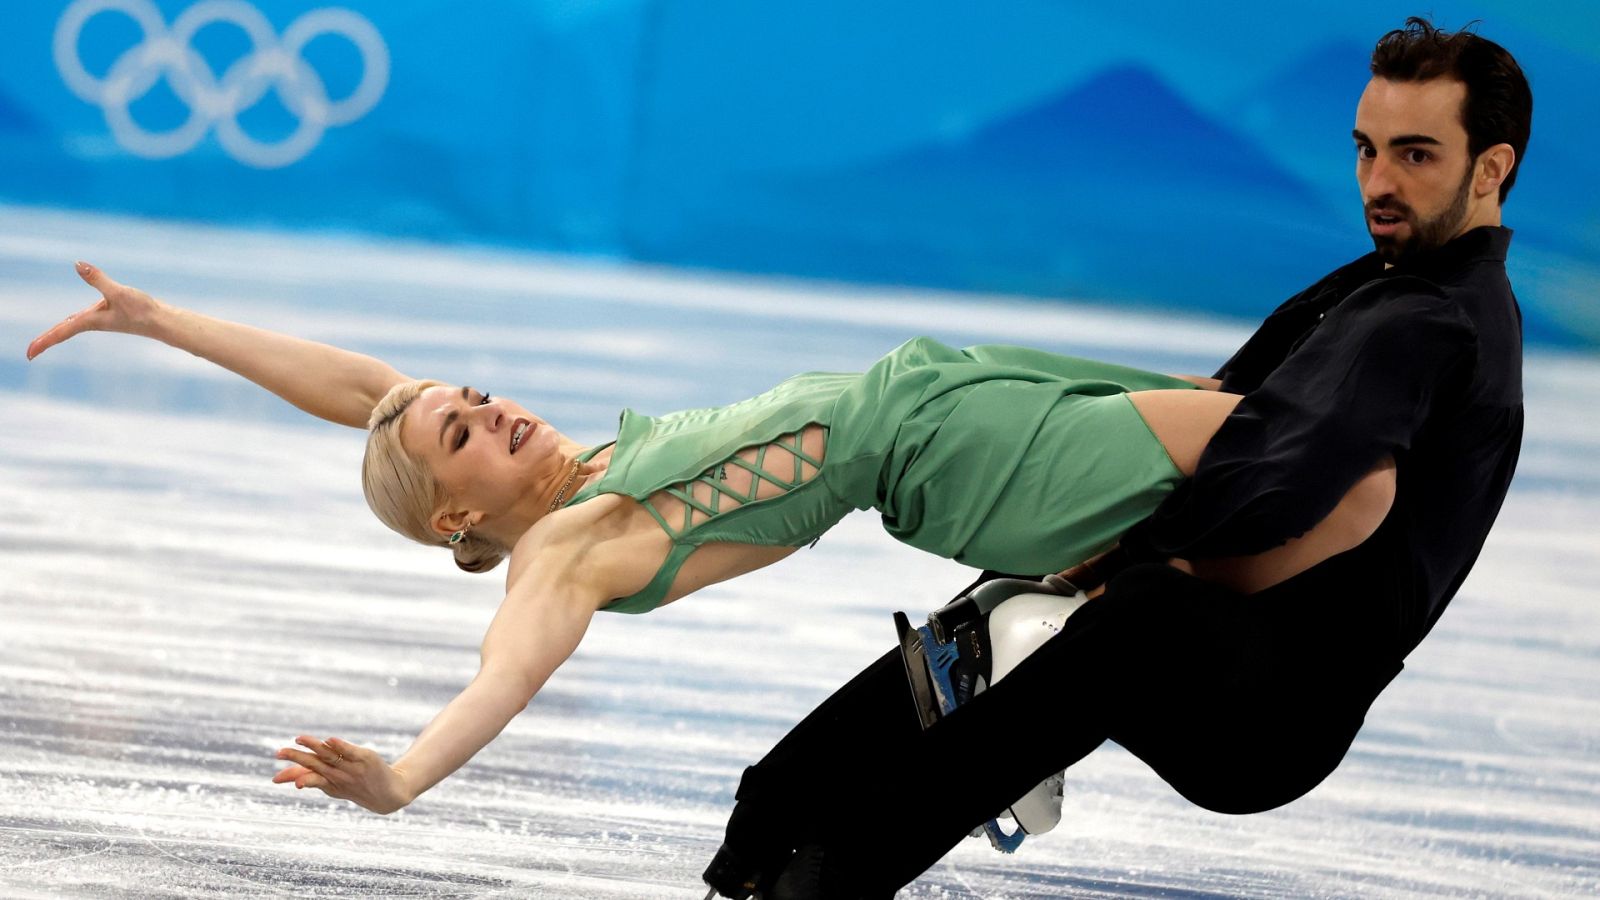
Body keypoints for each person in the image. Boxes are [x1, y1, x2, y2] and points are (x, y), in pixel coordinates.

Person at [24, 264, 1395, 816]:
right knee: (1333, 475)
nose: (483, 409)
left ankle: (1107, 613)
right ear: (459, 517)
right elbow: (502, 680)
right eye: (462, 436)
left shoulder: (581, 462)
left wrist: (167, 324)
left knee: (1267, 434)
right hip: (952, 453)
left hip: (958, 394)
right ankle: (1164, 628)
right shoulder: (568, 545)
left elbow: (363, 392)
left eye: (475, 393)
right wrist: (399, 781)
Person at [706, 16, 1531, 899]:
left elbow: (1300, 485)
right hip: (1201, 622)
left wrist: (1108, 566)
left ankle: (832, 871)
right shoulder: (1381, 283)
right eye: (1366, 150)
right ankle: (768, 822)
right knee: (1017, 601)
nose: (1377, 182)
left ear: (1492, 168)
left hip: (1275, 709)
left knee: (1135, 610)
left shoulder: (1439, 323)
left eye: (1415, 156)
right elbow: (1220, 405)